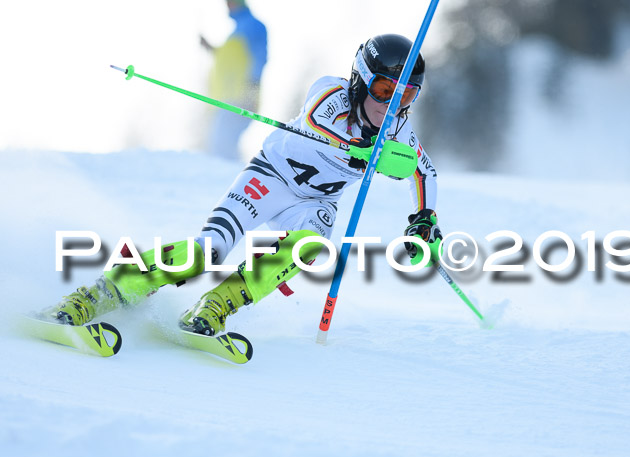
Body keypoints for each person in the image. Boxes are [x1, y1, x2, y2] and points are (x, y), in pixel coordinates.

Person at [50, 34, 441, 336]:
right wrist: (359, 148)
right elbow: (315, 119)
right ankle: (99, 294)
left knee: (311, 245)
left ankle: (215, 306)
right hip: (268, 178)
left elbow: (424, 173)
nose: (391, 106)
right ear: (360, 81)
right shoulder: (331, 93)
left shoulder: (399, 133)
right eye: (384, 90)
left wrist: (423, 220)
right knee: (209, 252)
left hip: (311, 203)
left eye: (405, 94)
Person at [201, 0, 267, 159]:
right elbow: (231, 59)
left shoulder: (253, 26)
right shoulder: (237, 30)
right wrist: (210, 48)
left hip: (241, 95)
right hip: (227, 96)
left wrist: (252, 87)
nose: (227, 6)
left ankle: (226, 176)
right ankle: (226, 175)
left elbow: (260, 56)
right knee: (219, 142)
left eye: (231, 2)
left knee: (222, 143)